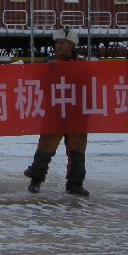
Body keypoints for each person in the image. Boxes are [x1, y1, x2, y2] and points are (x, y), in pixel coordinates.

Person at [23, 27, 90, 196]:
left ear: (72, 45)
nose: (58, 46)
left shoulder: (83, 64)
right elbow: (36, 81)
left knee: (77, 150)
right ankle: (36, 180)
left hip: (76, 114)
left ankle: (75, 184)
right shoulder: (48, 62)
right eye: (57, 43)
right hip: (55, 112)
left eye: (62, 43)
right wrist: (47, 70)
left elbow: (90, 85)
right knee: (46, 147)